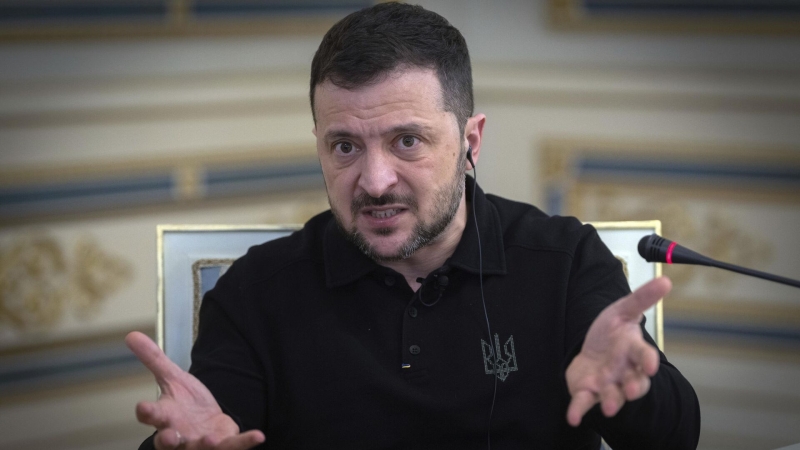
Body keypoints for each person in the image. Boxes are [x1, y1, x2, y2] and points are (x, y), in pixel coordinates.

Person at [127, 3, 700, 449]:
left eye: (407, 141)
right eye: (345, 146)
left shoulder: (566, 261)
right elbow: (208, 431)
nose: (375, 182)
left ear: (470, 141)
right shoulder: (256, 292)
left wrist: (632, 394)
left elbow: (674, 440)